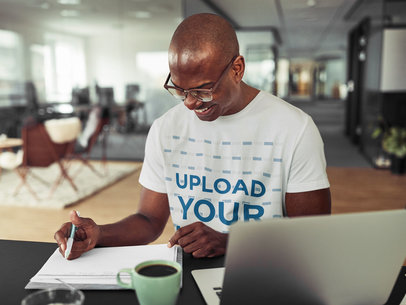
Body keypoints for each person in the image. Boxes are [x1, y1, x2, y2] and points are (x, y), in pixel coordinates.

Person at [54, 13, 331, 260]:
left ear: (237, 69)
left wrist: (229, 243)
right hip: (188, 274)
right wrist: (99, 234)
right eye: (179, 90)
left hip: (267, 272)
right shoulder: (166, 129)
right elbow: (149, 220)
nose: (189, 103)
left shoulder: (294, 129)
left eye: (202, 90)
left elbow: (311, 237)